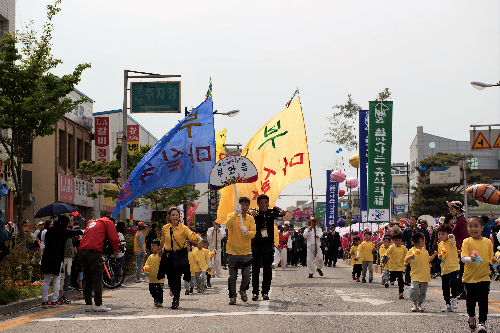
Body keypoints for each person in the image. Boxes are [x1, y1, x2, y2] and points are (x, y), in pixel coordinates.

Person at [158, 207, 202, 309]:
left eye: (176, 215)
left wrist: (197, 238)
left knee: (177, 278)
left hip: (179, 256)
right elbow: (162, 240)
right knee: (170, 278)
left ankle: (176, 299)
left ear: (179, 217)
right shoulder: (165, 228)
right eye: (173, 215)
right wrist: (160, 250)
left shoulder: (183, 228)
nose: (175, 217)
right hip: (168, 256)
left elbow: (191, 235)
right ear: (169, 217)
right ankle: (174, 291)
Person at [461, 216, 496, 332]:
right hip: (470, 277)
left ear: (482, 227)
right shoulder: (466, 242)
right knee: (470, 300)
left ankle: (482, 323)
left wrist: (493, 260)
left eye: (476, 226)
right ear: (467, 229)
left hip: (484, 276)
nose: (473, 229)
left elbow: (490, 257)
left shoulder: (487, 242)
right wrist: (470, 258)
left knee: (483, 299)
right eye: (470, 226)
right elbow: (463, 258)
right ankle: (471, 317)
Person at [41, 215, 83, 308]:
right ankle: (54, 301)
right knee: (56, 280)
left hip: (46, 257)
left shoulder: (47, 231)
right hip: (57, 258)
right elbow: (77, 231)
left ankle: (44, 301)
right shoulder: (64, 232)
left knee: (46, 280)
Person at [78, 217, 119, 312]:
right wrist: (115, 249)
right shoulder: (108, 222)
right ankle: (98, 304)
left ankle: (88, 304)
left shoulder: (91, 222)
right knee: (97, 278)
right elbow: (114, 238)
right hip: (94, 251)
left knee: (87, 278)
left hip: (82, 251)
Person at [220, 197, 256, 305]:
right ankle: (232, 296)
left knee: (246, 276)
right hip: (232, 252)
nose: (244, 207)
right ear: (238, 206)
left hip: (246, 253)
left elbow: (254, 232)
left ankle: (243, 290)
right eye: (242, 205)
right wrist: (236, 213)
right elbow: (227, 224)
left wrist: (247, 233)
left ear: (248, 207)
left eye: (246, 205)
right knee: (232, 277)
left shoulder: (250, 219)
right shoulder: (232, 215)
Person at [248, 194, 283, 301]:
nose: (264, 204)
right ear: (258, 204)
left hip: (268, 245)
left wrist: (282, 212)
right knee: (255, 269)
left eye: (266, 202)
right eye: (262, 202)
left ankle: (265, 292)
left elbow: (280, 211)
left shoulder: (272, 212)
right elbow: (248, 211)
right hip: (256, 245)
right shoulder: (254, 212)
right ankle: (255, 292)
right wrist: (250, 211)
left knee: (267, 270)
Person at [405, 232, 437, 312]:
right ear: (420, 240)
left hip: (424, 274)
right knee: (415, 288)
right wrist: (410, 257)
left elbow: (428, 260)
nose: (425, 242)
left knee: (423, 291)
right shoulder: (411, 250)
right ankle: (414, 304)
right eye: (424, 240)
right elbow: (406, 261)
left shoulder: (425, 251)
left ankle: (419, 304)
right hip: (415, 274)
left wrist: (434, 255)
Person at [436, 224, 460, 312]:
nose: (440, 236)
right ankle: (447, 303)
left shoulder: (451, 240)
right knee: (445, 287)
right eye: (439, 234)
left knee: (453, 282)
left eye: (443, 234)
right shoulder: (440, 244)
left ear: (448, 234)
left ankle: (454, 298)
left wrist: (452, 236)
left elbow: (453, 240)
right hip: (444, 268)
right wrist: (439, 256)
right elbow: (440, 254)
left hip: (453, 266)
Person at [447, 201, 467, 300]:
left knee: (461, 271)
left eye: (452, 209)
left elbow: (463, 235)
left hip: (460, 249)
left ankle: (464, 291)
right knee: (458, 271)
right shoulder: (458, 219)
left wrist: (460, 248)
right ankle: (460, 291)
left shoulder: (462, 220)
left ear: (458, 209)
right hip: (456, 248)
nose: (450, 211)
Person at [58, 215, 77, 304]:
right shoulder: (63, 231)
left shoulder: (67, 231)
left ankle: (62, 295)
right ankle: (60, 296)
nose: (71, 222)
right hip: (64, 256)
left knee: (65, 276)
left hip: (68, 255)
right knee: (63, 276)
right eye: (69, 221)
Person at [385, 231, 408, 299]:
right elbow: (386, 254)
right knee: (392, 278)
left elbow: (408, 254)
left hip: (400, 266)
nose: (398, 242)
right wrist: (383, 261)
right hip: (392, 267)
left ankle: (401, 293)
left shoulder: (403, 248)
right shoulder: (392, 247)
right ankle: (389, 279)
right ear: (393, 240)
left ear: (401, 240)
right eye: (396, 240)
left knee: (400, 280)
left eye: (399, 240)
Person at [402, 216, 423, 285]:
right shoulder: (406, 230)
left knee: (418, 264)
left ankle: (418, 279)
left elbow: (423, 240)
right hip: (409, 249)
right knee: (409, 265)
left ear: (416, 221)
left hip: (418, 249)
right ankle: (407, 280)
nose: (411, 221)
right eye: (410, 220)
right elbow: (402, 240)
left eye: (413, 220)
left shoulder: (420, 230)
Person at [143, 240, 165, 307]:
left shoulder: (160, 256)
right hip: (152, 278)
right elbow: (147, 264)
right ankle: (155, 298)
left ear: (159, 247)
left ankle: (159, 301)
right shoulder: (150, 257)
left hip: (160, 278)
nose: (152, 247)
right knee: (151, 290)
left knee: (160, 291)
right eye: (151, 246)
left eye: (154, 246)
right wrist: (146, 268)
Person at [114, 222, 127, 286]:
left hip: (115, 252)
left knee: (116, 267)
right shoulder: (120, 234)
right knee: (119, 267)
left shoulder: (115, 233)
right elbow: (124, 244)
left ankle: (116, 280)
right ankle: (118, 281)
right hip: (120, 253)